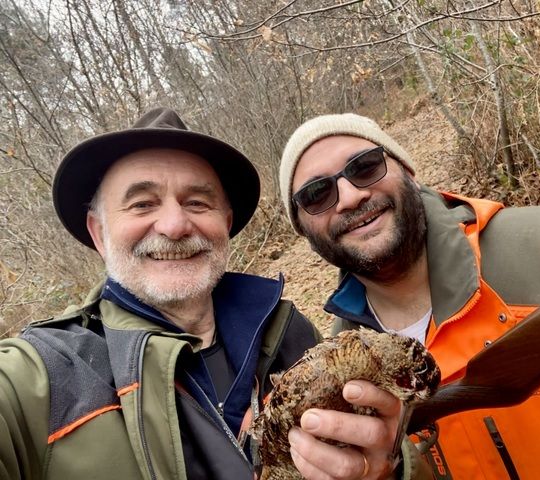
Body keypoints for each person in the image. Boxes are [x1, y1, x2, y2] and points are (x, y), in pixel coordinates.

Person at [279, 112, 540, 479]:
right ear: (303, 230)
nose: (350, 197)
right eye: (316, 194)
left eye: (365, 166)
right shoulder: (339, 387)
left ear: (407, 170)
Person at [1, 107, 327, 480]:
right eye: (142, 204)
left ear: (226, 223)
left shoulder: (289, 332)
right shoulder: (42, 380)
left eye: (197, 203)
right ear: (98, 233)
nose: (174, 225)